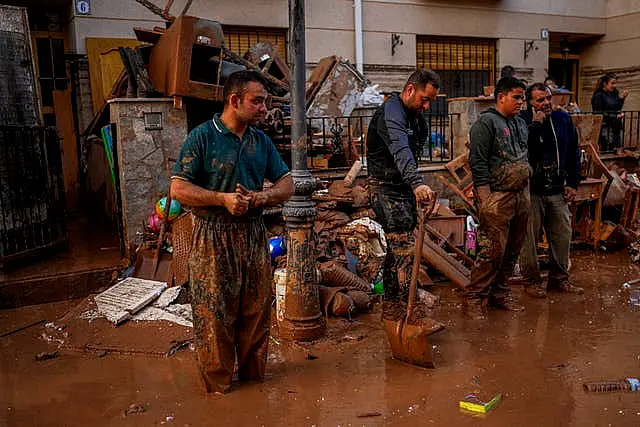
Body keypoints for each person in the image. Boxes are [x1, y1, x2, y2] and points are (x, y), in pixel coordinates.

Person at [171, 70, 294, 394]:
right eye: (257, 102)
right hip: (213, 236)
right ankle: (219, 390)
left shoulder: (260, 141)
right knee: (214, 317)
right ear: (234, 100)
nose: (264, 108)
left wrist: (263, 197)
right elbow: (178, 189)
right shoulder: (202, 137)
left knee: (255, 314)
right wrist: (221, 199)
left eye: (265, 102)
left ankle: (254, 387)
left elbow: (288, 183)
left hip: (253, 234)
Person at [366, 69, 445, 335]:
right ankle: (404, 313)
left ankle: (397, 307)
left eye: (430, 101)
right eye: (424, 99)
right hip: (385, 189)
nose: (427, 106)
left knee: (404, 250)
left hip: (403, 189)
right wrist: (417, 183)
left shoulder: (417, 119)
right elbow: (400, 149)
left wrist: (415, 187)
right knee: (403, 250)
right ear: (410, 89)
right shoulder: (391, 113)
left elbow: (413, 154)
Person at [464, 77, 531, 320]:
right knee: (491, 251)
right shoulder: (486, 123)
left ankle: (500, 294)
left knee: (512, 250)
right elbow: (478, 163)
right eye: (516, 97)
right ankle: (474, 298)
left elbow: (524, 157)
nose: (521, 102)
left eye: (522, 98)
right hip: (497, 197)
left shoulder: (521, 124)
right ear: (500, 96)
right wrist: (485, 201)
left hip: (521, 196)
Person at [519, 83, 584, 298]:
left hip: (557, 189)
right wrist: (535, 126)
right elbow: (520, 151)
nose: (546, 103)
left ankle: (559, 279)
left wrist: (573, 183)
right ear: (530, 103)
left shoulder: (563, 119)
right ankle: (531, 281)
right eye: (540, 100)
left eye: (548, 98)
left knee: (562, 235)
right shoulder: (523, 122)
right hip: (532, 190)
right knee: (529, 238)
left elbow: (575, 152)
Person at [591, 73, 629, 152]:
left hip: (616, 126)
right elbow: (598, 112)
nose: (614, 85)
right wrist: (614, 116)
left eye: (615, 83)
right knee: (607, 150)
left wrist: (622, 99)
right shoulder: (598, 95)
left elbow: (617, 108)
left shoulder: (614, 93)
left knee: (617, 149)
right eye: (612, 83)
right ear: (605, 84)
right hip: (605, 127)